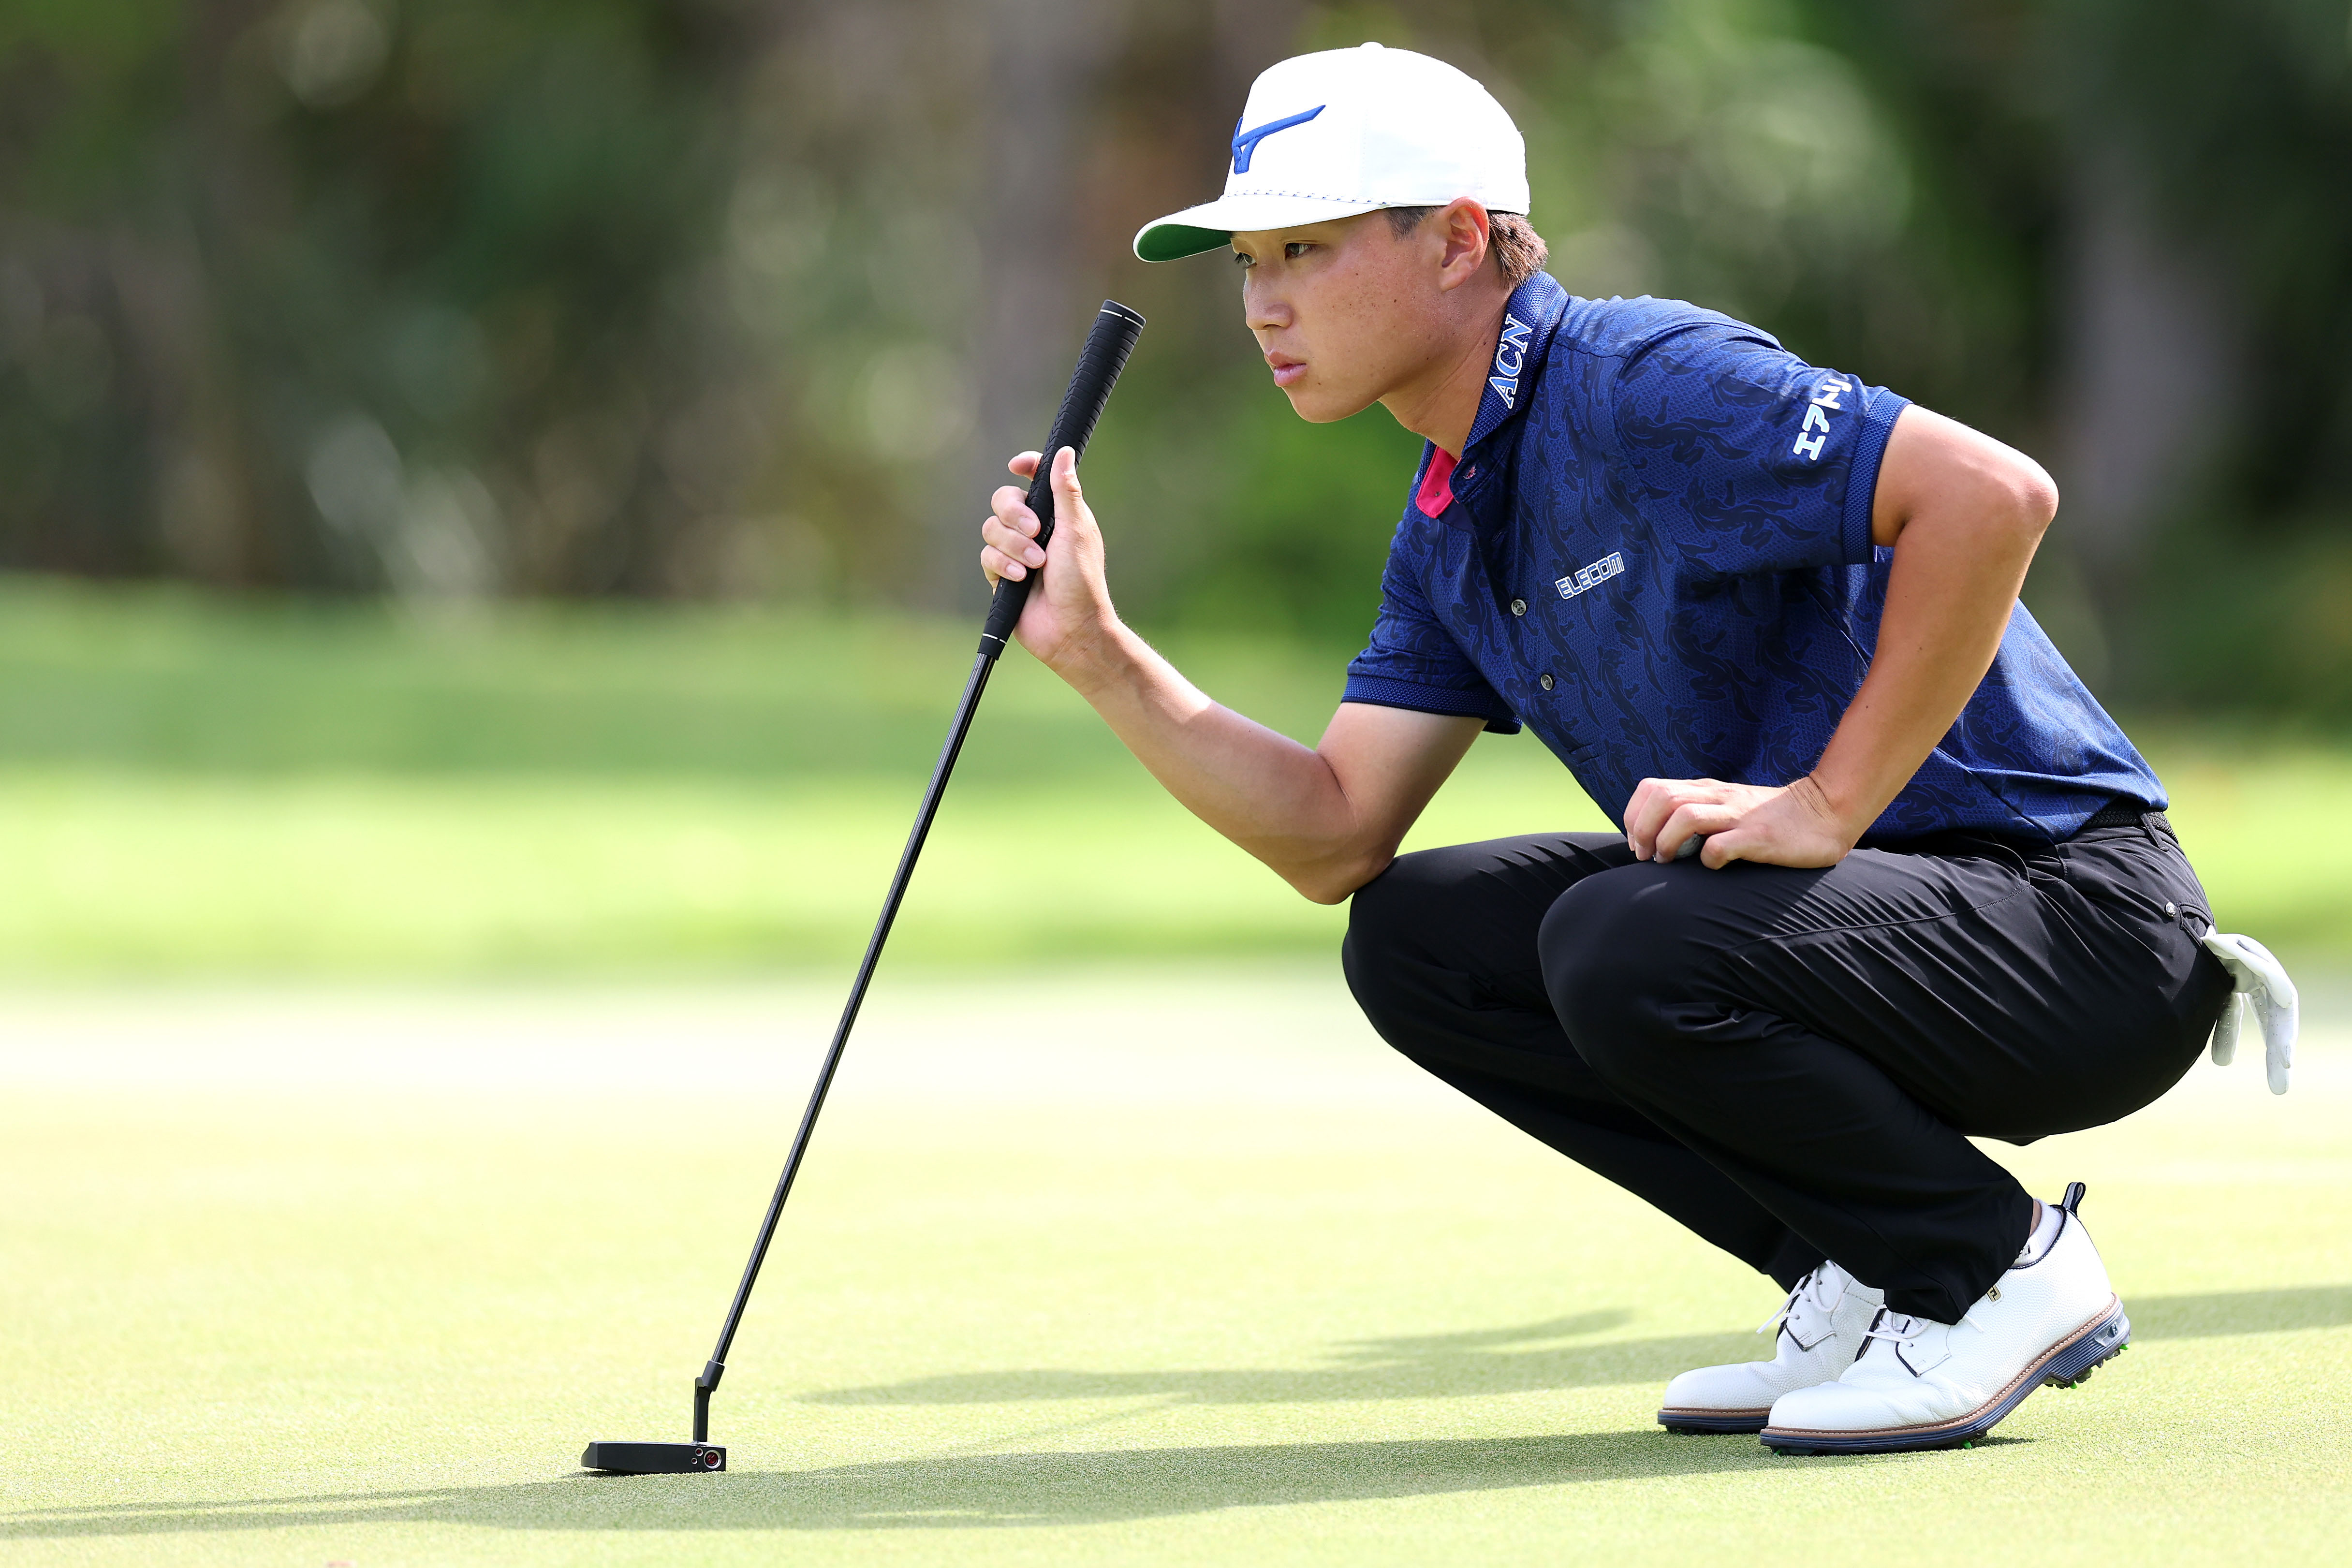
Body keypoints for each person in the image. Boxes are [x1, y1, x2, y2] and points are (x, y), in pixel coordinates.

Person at [977, 42, 2285, 1454]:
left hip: (2083, 931)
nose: (1264, 301)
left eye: (1304, 247)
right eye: (1247, 263)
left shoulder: (1639, 379)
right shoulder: (1449, 522)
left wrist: (1829, 801)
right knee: (1415, 938)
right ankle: (1853, 1264)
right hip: (1878, 936)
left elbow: (1993, 496)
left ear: (1461, 242)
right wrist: (1104, 655)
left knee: (1620, 937)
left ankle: (1993, 1265)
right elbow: (1336, 828)